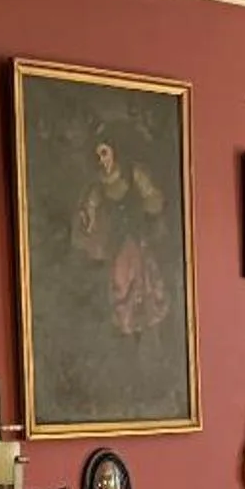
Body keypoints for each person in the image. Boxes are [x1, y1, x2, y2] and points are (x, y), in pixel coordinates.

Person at [72, 127, 170, 340]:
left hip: (138, 234)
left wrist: (149, 208)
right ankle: (126, 328)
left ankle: (146, 329)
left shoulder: (133, 173)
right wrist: (88, 222)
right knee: (121, 280)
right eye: (97, 156)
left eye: (104, 153)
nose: (101, 160)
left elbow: (152, 198)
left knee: (145, 280)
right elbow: (90, 210)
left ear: (113, 151)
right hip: (117, 240)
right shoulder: (97, 185)